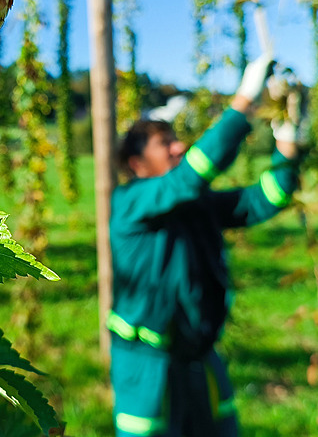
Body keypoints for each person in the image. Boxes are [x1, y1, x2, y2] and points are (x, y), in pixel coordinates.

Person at [108, 55, 306, 437]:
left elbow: (267, 198)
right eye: (165, 144)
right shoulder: (130, 203)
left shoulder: (192, 204)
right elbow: (193, 174)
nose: (178, 146)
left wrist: (288, 142)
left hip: (198, 355)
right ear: (136, 163)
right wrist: (245, 102)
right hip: (146, 363)